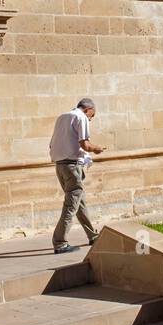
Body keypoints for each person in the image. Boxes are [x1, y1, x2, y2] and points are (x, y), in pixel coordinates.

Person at [48, 97, 105, 254]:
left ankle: (92, 235)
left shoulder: (62, 117)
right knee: (71, 205)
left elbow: (51, 144)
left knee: (79, 202)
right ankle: (60, 243)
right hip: (72, 166)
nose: (90, 120)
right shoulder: (81, 117)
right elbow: (85, 144)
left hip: (60, 166)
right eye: (91, 116)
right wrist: (97, 148)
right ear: (87, 109)